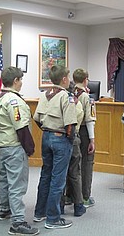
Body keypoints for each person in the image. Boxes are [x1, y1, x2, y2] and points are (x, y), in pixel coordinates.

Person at [0, 66, 39, 235]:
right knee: (17, 184)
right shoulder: (14, 101)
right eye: (20, 80)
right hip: (14, 146)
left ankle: (5, 209)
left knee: (4, 179)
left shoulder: (0, 98)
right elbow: (21, 127)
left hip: (2, 145)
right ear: (15, 81)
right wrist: (30, 148)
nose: (21, 83)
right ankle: (18, 222)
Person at [33, 65, 77, 229]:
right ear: (64, 79)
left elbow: (36, 118)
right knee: (58, 180)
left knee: (45, 175)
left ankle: (40, 212)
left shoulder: (46, 95)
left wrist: (48, 130)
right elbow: (70, 125)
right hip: (60, 139)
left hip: (46, 137)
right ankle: (53, 218)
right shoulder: (67, 96)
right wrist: (69, 141)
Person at [61, 81, 86, 217]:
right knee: (75, 173)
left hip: (64, 138)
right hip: (74, 138)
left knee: (61, 174)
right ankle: (78, 205)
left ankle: (60, 206)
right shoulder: (77, 103)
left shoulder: (63, 102)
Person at [72, 68, 97, 208]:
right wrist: (92, 140)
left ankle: (71, 195)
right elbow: (89, 120)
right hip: (84, 132)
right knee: (87, 164)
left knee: (74, 165)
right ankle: (85, 197)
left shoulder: (70, 93)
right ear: (85, 80)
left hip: (72, 131)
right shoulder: (87, 97)